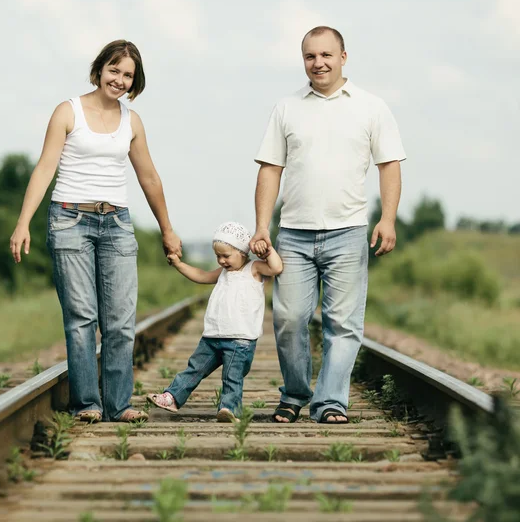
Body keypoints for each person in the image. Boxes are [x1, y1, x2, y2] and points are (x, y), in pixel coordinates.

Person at [9, 39, 182, 423]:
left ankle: (118, 405)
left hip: (117, 223)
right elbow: (44, 168)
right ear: (100, 69)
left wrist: (167, 228)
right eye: (114, 71)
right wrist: (23, 222)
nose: (119, 80)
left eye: (127, 75)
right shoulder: (68, 111)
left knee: (120, 320)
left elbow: (149, 177)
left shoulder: (131, 121)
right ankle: (87, 403)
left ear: (134, 82)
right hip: (70, 219)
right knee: (81, 316)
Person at [250, 26, 406, 425]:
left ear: (343, 57)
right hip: (294, 234)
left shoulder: (371, 107)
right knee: (288, 319)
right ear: (303, 59)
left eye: (326, 55)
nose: (318, 63)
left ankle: (331, 402)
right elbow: (270, 169)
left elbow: (389, 166)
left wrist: (387, 219)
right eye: (310, 56)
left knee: (343, 324)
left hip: (348, 231)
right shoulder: (287, 108)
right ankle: (295, 393)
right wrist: (262, 226)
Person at [147, 222, 283, 422]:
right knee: (194, 369)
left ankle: (229, 409)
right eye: (218, 256)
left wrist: (268, 250)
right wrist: (178, 264)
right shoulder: (223, 273)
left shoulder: (254, 269)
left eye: (226, 256)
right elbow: (201, 276)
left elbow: (277, 267)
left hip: (239, 339)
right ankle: (173, 397)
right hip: (212, 337)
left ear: (243, 252)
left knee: (232, 378)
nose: (221, 261)